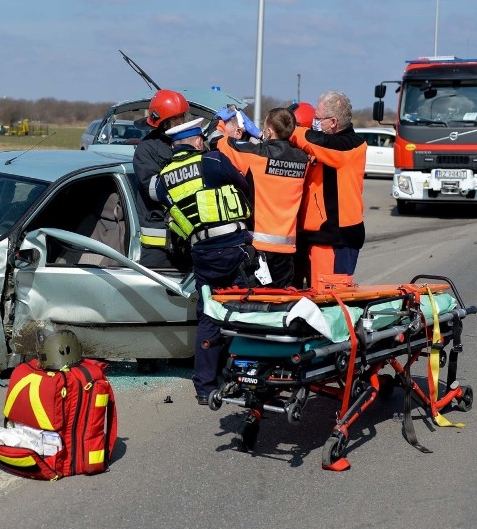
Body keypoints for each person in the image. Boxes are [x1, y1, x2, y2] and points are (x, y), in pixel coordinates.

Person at [152, 118, 252, 405]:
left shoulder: (163, 179)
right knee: (244, 312)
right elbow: (242, 185)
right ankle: (242, 378)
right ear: (197, 141)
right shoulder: (212, 161)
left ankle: (205, 387)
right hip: (231, 248)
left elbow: (167, 203)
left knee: (208, 316)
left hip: (202, 253)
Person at [217, 107, 310, 288]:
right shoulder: (303, 159)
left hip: (260, 246)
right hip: (288, 248)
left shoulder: (256, 154)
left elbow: (222, 144)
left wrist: (220, 122)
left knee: (259, 303)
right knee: (282, 301)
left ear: (268, 131)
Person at [289, 91, 366, 288]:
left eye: (318, 119)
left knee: (330, 300)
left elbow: (316, 142)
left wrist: (288, 128)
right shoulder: (328, 145)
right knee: (313, 298)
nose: (314, 123)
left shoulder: (348, 146)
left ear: (333, 121)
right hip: (316, 236)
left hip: (337, 238)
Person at [132, 89, 190, 269]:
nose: (182, 122)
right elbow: (152, 190)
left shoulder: (185, 143)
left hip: (184, 240)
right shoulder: (146, 149)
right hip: (158, 248)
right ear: (164, 123)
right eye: (177, 118)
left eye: (183, 117)